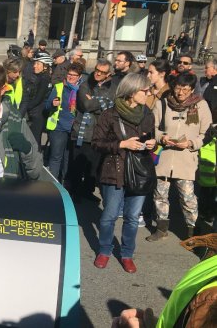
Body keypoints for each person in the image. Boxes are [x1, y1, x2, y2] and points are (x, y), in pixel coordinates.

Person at [92, 73, 157, 273]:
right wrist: (122, 144)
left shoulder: (147, 114)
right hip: (115, 170)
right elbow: (96, 143)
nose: (149, 93)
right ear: (131, 92)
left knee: (132, 217)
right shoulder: (109, 114)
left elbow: (151, 139)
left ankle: (127, 253)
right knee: (109, 216)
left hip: (139, 171)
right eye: (144, 91)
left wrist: (153, 144)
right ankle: (104, 250)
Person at [146, 73, 212, 241]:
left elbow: (207, 134)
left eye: (185, 89)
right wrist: (162, 137)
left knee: (188, 198)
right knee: (160, 195)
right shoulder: (163, 103)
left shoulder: (200, 105)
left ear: (192, 90)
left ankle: (193, 233)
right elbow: (152, 127)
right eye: (178, 88)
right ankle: (161, 229)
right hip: (164, 157)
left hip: (187, 160)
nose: (181, 93)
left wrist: (191, 143)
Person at [68, 59, 116, 202]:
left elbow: (112, 107)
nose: (98, 74)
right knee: (77, 165)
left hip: (100, 132)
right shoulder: (85, 85)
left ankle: (87, 191)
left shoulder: (113, 88)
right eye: (97, 70)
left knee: (94, 167)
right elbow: (87, 105)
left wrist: (97, 101)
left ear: (109, 74)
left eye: (102, 72)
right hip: (82, 131)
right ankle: (73, 193)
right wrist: (103, 102)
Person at [45, 63, 84, 181]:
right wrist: (52, 104)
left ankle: (65, 185)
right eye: (69, 74)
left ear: (80, 77)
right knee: (56, 157)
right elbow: (46, 105)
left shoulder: (82, 89)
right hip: (58, 127)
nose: (71, 77)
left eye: (74, 75)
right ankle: (52, 185)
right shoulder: (59, 87)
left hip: (74, 129)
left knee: (68, 159)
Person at [27, 53, 53, 148]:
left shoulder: (44, 79)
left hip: (38, 114)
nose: (34, 66)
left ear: (45, 66)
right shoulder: (40, 77)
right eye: (34, 63)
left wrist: (25, 106)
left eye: (38, 64)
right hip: (36, 112)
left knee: (34, 141)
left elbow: (38, 98)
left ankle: (37, 161)